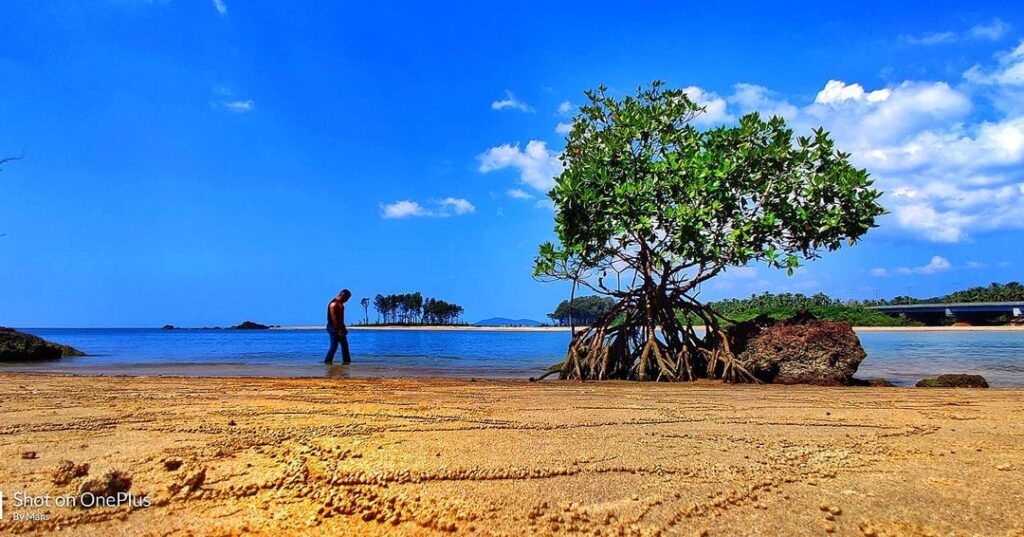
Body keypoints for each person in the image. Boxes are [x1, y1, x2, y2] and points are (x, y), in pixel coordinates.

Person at [324, 289, 352, 364]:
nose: (347, 300)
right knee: (334, 346)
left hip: (339, 327)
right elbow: (335, 319)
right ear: (342, 296)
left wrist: (343, 328)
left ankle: (347, 363)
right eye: (347, 298)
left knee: (345, 346)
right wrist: (339, 329)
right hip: (334, 328)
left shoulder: (340, 304)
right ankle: (327, 362)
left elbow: (340, 319)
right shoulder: (334, 304)